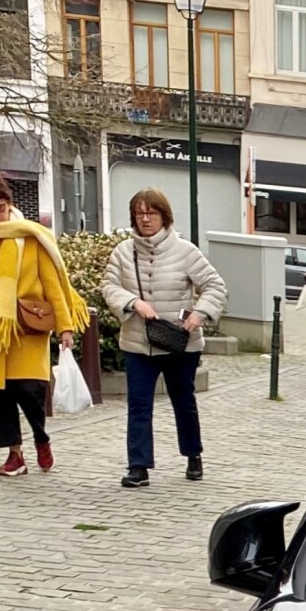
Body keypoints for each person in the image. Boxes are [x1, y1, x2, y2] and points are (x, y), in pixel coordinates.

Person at [0, 174, 90, 478]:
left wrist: (65, 327)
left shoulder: (30, 236)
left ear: (10, 202)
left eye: (0, 206)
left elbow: (52, 284)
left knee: (30, 390)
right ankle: (14, 454)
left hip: (28, 329)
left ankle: (41, 437)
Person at [99, 188, 228, 487]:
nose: (145, 219)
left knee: (183, 401)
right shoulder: (123, 251)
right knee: (139, 405)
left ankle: (193, 454)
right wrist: (133, 303)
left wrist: (200, 314)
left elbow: (215, 286)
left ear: (164, 216)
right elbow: (108, 285)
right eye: (139, 213)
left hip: (179, 341)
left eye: (151, 213)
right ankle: (138, 466)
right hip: (137, 340)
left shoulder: (185, 250)